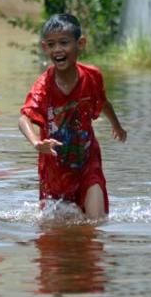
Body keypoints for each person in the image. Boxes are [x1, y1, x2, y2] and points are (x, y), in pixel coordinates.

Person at [18, 14, 126, 219]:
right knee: (56, 233)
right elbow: (24, 119)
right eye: (51, 44)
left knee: (96, 223)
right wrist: (36, 142)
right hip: (54, 169)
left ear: (80, 43)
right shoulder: (43, 86)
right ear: (45, 48)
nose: (58, 49)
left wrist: (117, 126)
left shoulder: (92, 76)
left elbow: (103, 102)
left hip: (87, 163)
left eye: (64, 43)